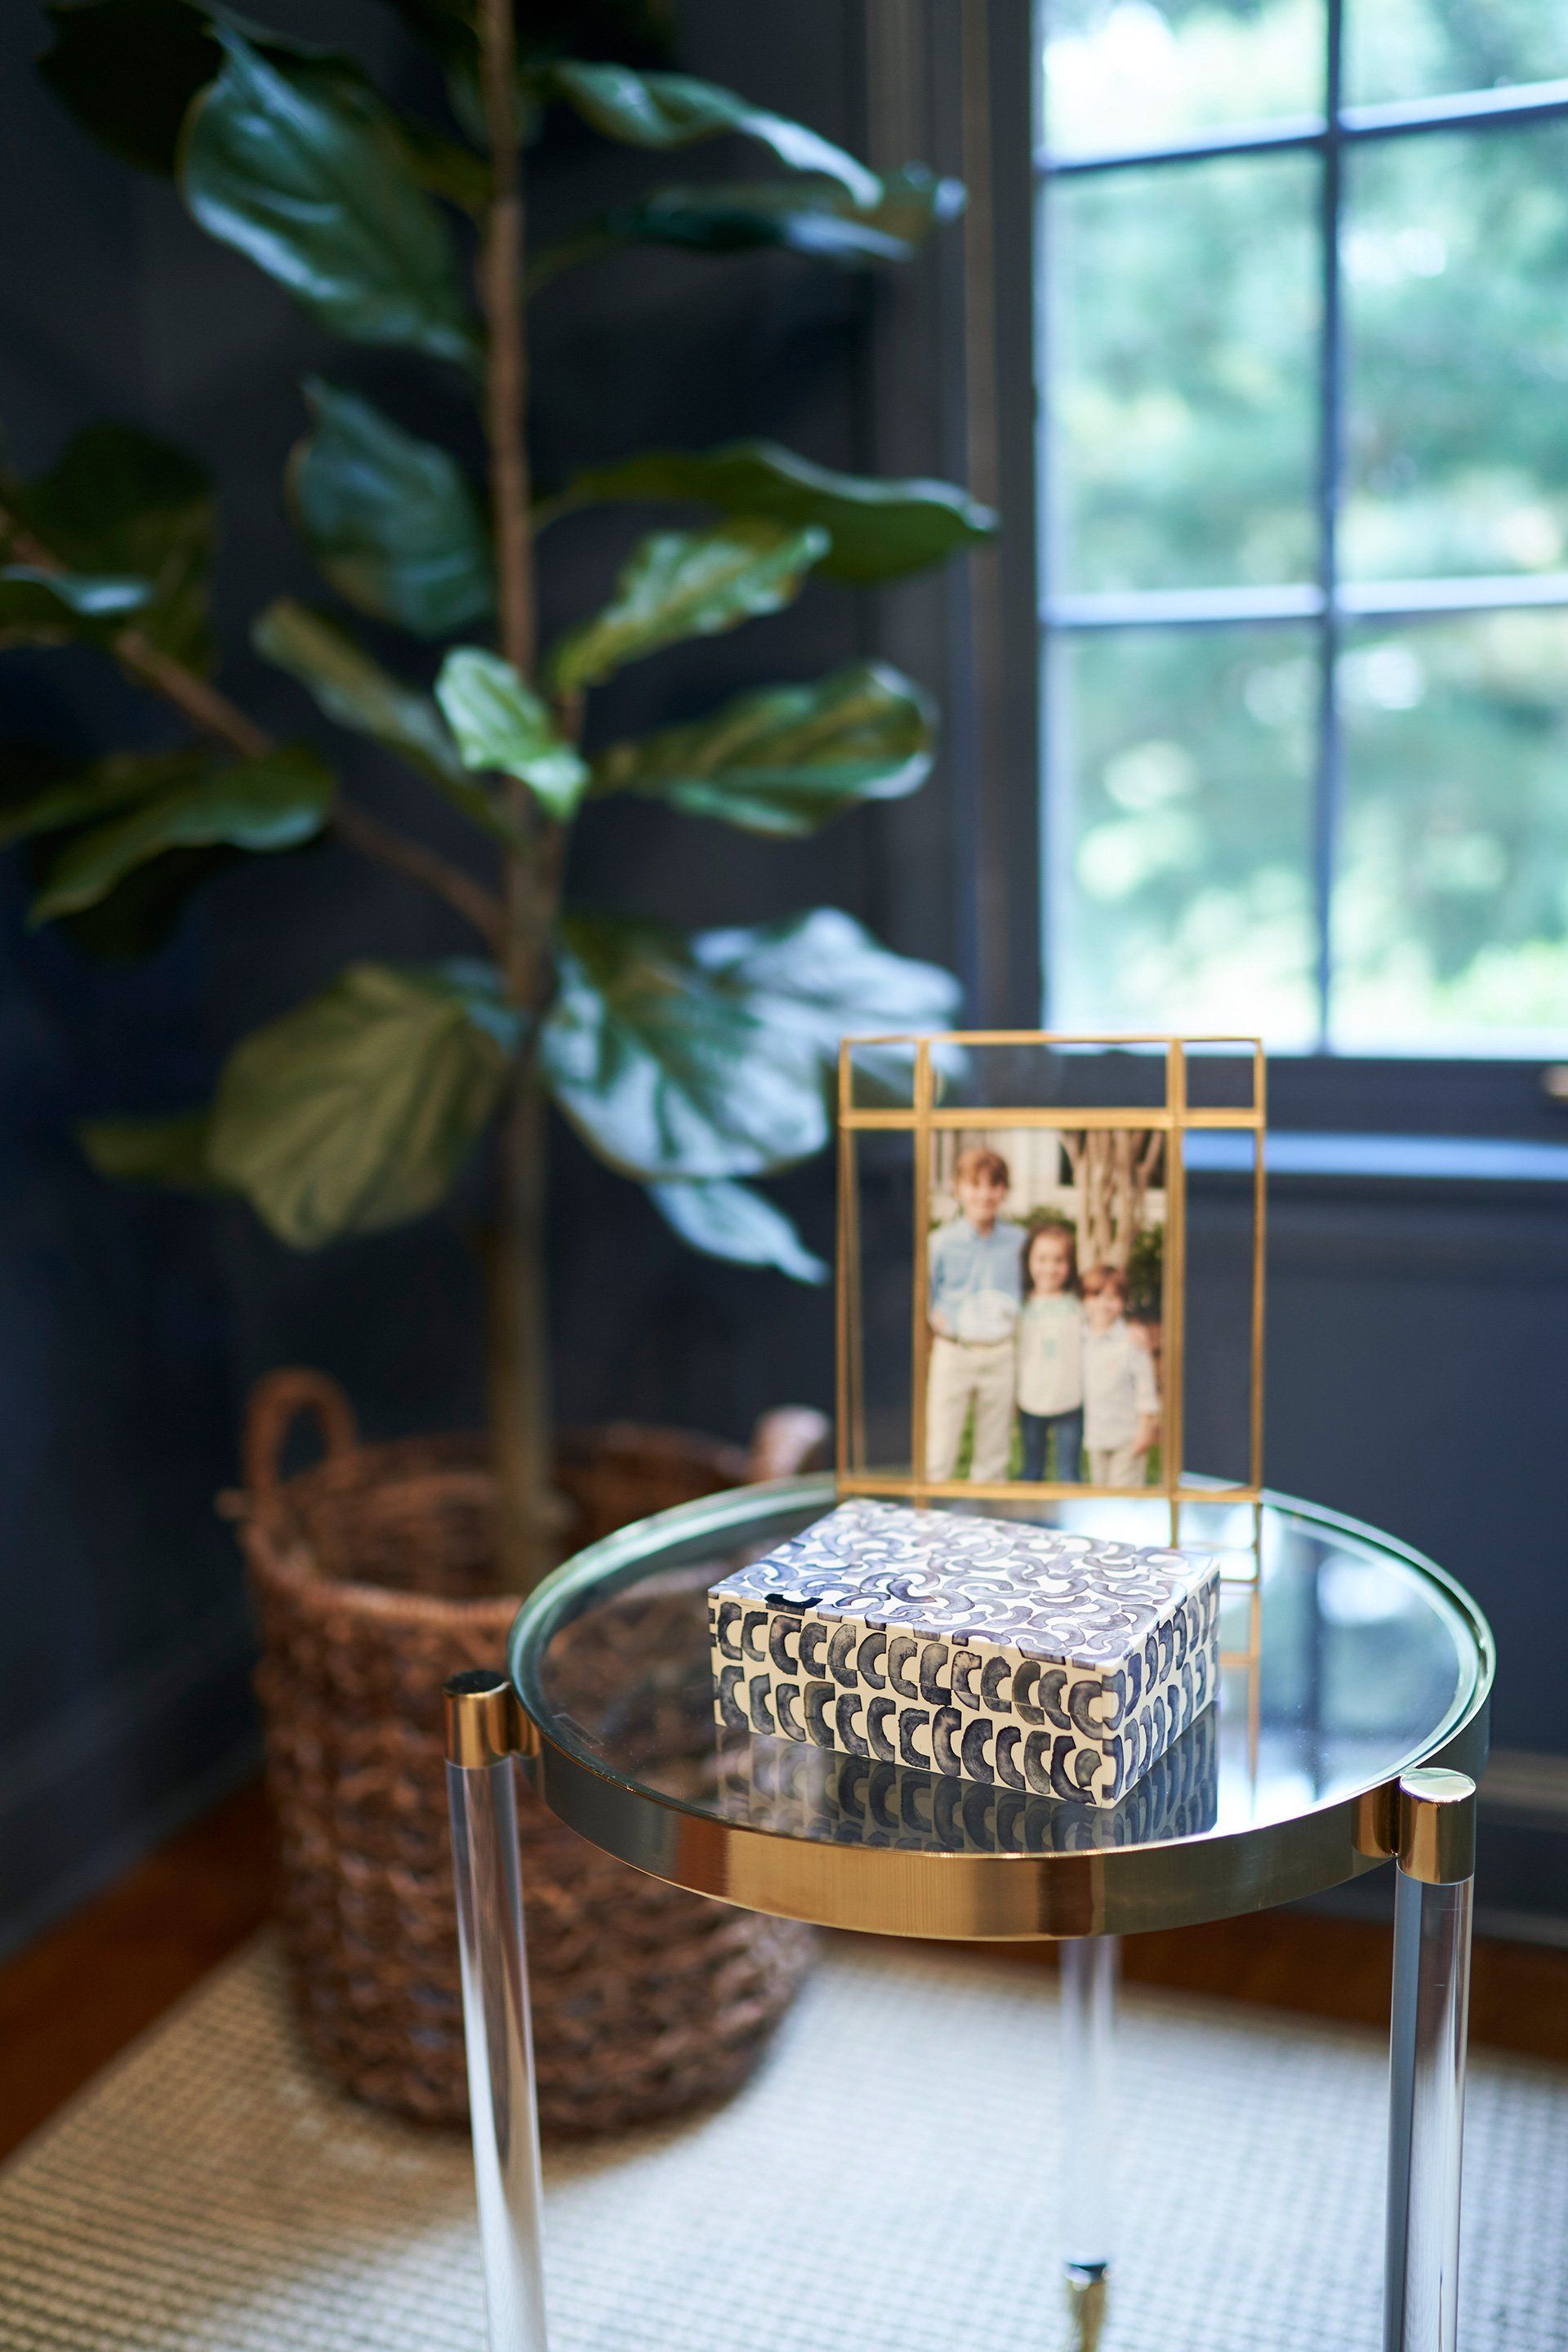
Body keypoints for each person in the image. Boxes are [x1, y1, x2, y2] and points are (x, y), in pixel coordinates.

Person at [924, 1145, 1024, 1482]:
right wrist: (933, 1316)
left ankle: (987, 1510)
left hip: (1000, 1352)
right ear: (957, 1188)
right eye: (975, 1185)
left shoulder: (1018, 1242)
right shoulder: (939, 1242)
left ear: (1004, 1191)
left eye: (994, 1185)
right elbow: (924, 1292)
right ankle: (932, 1509)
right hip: (954, 1350)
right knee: (940, 1448)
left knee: (994, 1452)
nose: (985, 1194)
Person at [1016, 1223, 1085, 1482]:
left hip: (1070, 1401)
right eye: (1042, 1259)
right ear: (1029, 1261)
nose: (1050, 1268)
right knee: (1032, 1471)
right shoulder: (1020, 1305)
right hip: (1031, 1400)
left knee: (1069, 1474)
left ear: (1070, 1264)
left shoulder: (1079, 1305)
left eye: (1059, 1260)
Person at [1080, 1264, 1160, 1487]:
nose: (1103, 1304)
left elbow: (1146, 1388)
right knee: (1100, 1495)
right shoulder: (1081, 1338)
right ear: (1084, 1300)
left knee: (1123, 1497)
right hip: (1096, 1437)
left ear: (1123, 1301)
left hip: (1127, 1438)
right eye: (1096, 1296)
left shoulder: (1131, 1341)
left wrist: (1145, 1429)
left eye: (1112, 1297)